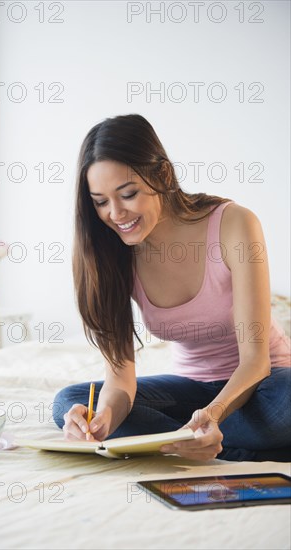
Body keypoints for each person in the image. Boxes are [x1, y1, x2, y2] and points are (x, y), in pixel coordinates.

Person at [53, 114, 291, 462]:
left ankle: (194, 440)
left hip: (262, 387)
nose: (116, 213)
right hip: (189, 394)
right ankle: (215, 445)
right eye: (101, 202)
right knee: (70, 402)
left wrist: (212, 415)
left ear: (162, 175)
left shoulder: (234, 224)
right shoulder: (111, 254)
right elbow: (120, 382)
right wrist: (103, 419)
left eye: (128, 194)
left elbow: (256, 363)